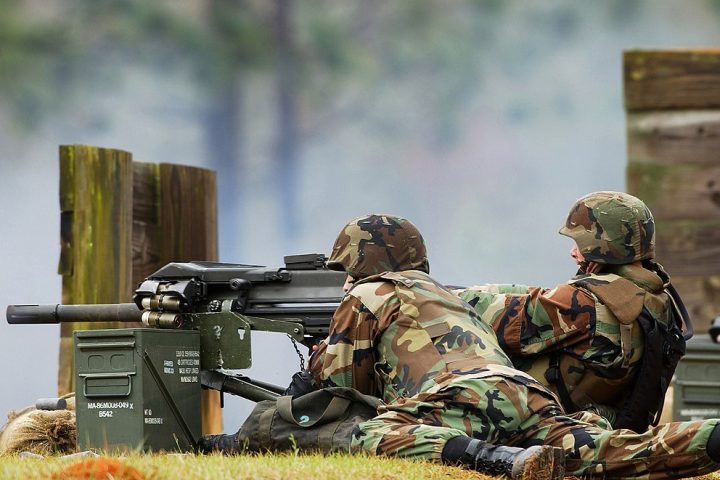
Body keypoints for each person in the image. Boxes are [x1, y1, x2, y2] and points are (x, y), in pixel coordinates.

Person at [311, 213, 720, 479]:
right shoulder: (652, 298)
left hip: (464, 400)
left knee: (367, 433)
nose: (573, 249)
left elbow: (341, 390)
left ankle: (497, 458)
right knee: (602, 453)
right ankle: (712, 439)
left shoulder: (370, 295)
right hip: (529, 397)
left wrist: (321, 351)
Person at [456, 191, 690, 431]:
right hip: (609, 422)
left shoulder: (582, 303)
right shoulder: (657, 298)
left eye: (578, 243)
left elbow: (494, 317)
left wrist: (439, 295)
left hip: (548, 424)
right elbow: (539, 296)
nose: (573, 252)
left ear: (600, 246)